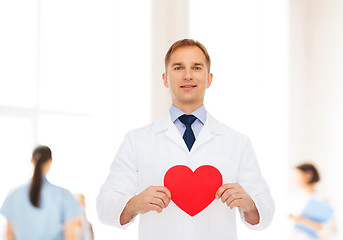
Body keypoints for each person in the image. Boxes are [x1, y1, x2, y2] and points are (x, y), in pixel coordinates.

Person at [97, 39, 274, 240]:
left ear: (209, 79)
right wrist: (134, 204)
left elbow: (266, 209)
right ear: (165, 78)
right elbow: (104, 205)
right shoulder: (137, 140)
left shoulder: (237, 142)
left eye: (196, 67)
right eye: (178, 67)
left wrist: (250, 204)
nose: (187, 75)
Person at [0, 145, 83, 240]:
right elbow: (70, 236)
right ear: (50, 162)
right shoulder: (63, 195)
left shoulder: (14, 195)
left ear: (32, 161)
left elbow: (9, 235)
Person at [288, 163, 336, 240]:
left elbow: (331, 230)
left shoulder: (321, 199)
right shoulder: (293, 198)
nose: (293, 180)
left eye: (296, 176)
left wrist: (302, 220)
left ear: (308, 175)